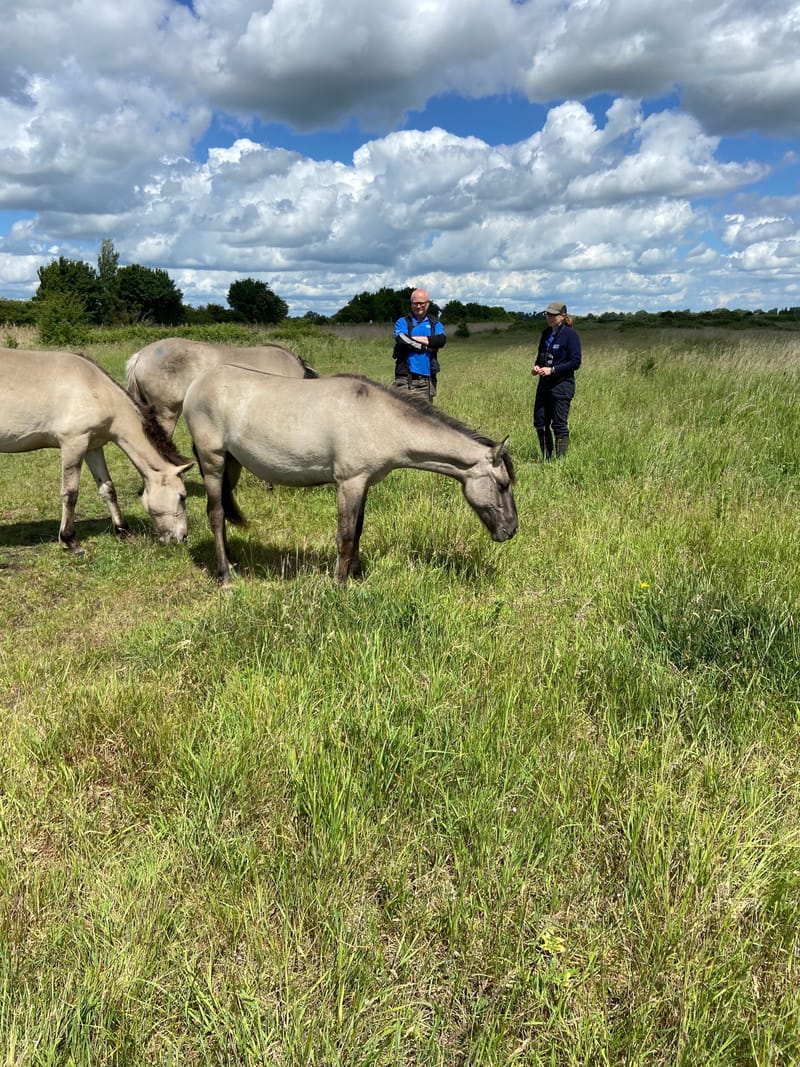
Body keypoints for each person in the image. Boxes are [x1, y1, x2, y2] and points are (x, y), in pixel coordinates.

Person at [531, 300, 582, 459]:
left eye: (554, 314)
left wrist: (553, 370)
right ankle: (547, 457)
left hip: (561, 385)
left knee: (559, 424)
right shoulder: (545, 334)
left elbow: (575, 362)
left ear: (563, 316)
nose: (550, 317)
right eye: (548, 314)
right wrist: (536, 367)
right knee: (540, 422)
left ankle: (560, 462)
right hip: (544, 384)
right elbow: (541, 356)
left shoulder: (570, 335)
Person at [392, 289, 447, 401]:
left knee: (423, 417)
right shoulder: (402, 322)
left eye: (422, 303)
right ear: (411, 304)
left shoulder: (434, 323)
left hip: (426, 380)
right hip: (405, 379)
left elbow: (441, 340)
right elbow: (401, 340)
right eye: (415, 303)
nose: (418, 306)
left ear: (428, 303)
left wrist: (412, 339)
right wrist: (425, 347)